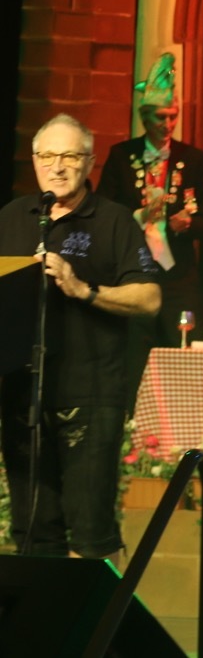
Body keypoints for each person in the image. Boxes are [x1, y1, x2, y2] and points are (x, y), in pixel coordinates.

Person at [0, 114, 159, 559]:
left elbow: (149, 298)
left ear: (89, 162)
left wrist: (82, 288)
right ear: (34, 160)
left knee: (91, 533)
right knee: (32, 532)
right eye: (47, 156)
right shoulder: (12, 218)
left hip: (90, 395)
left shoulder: (113, 220)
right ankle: (39, 607)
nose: (57, 166)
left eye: (70, 156)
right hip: (23, 395)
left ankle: (98, 606)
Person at [97, 53, 203, 403]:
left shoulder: (193, 159)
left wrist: (186, 223)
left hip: (179, 277)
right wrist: (138, 216)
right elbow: (102, 215)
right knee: (134, 355)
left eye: (173, 116)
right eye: (161, 117)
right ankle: (133, 421)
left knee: (183, 353)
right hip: (134, 274)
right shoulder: (121, 156)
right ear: (144, 117)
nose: (168, 124)